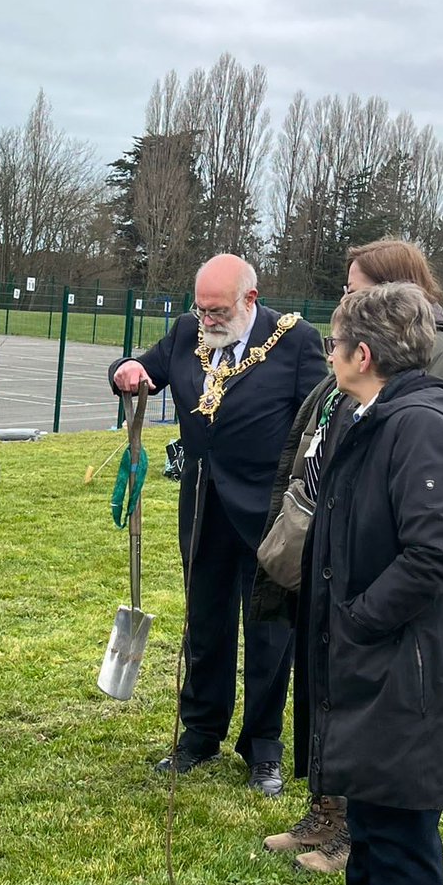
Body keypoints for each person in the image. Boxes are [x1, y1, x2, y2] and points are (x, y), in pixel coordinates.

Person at [282, 281, 443, 885]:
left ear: (362, 352)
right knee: (372, 827)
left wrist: (358, 619)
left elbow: (434, 554)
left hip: (413, 673)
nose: (329, 355)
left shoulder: (423, 425)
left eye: (333, 343)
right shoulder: (366, 412)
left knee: (402, 842)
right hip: (375, 665)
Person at [257, 238, 443, 873]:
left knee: (379, 722)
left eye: (354, 287)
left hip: (379, 580)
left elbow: (435, 522)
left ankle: (356, 829)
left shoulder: (428, 383)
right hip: (335, 551)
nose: (345, 297)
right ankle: (328, 812)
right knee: (330, 689)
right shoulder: (358, 370)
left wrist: (356, 615)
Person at [109, 254, 326, 796]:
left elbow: (316, 423)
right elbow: (145, 369)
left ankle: (263, 750)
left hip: (270, 510)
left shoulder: (295, 340)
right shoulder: (186, 332)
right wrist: (125, 371)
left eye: (218, 310)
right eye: (200, 308)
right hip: (203, 503)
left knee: (269, 628)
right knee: (204, 622)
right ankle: (199, 736)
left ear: (250, 300)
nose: (206, 319)